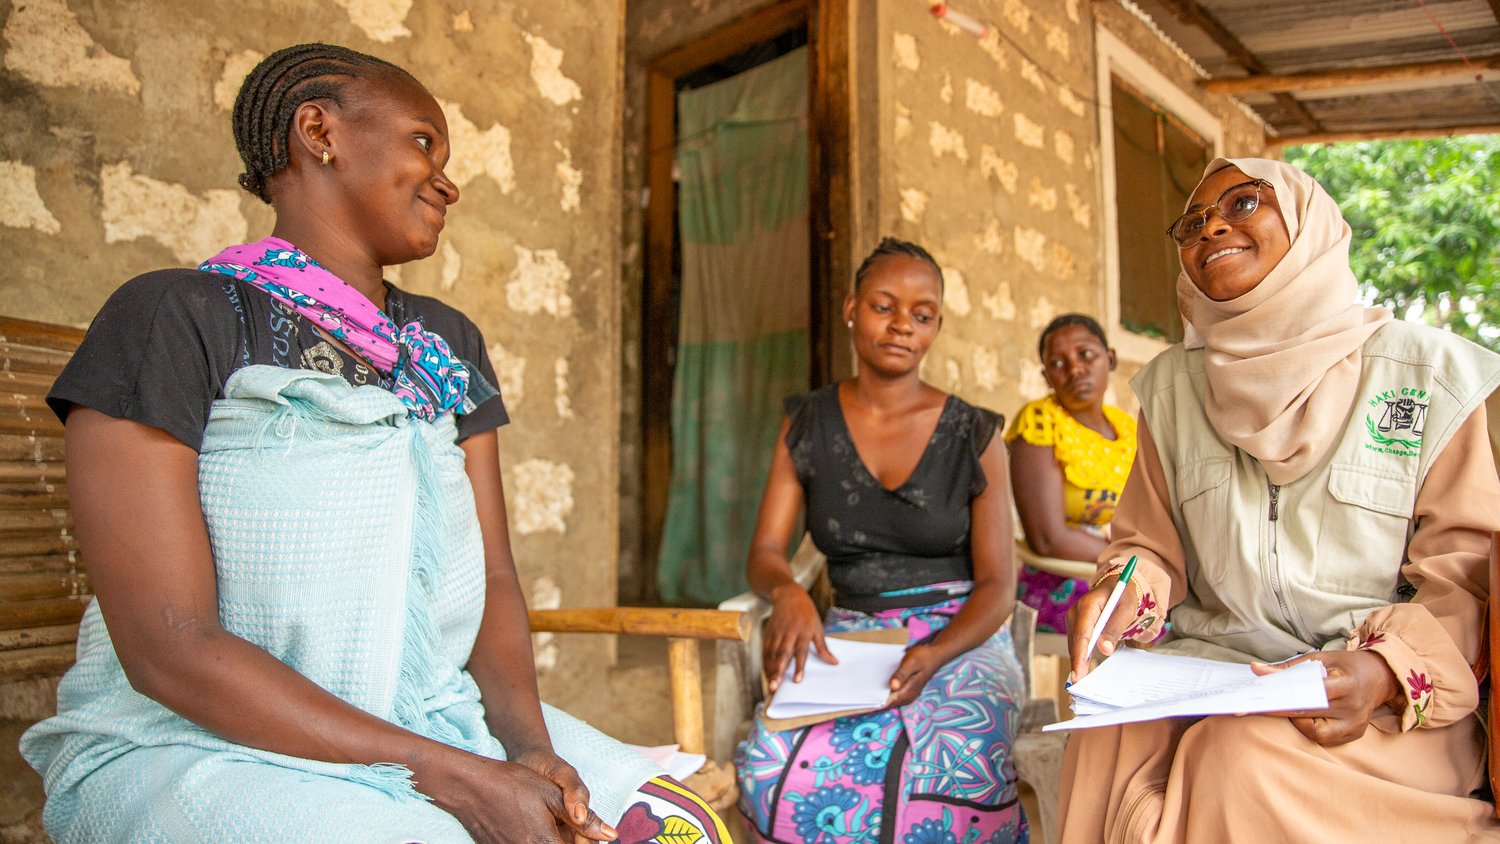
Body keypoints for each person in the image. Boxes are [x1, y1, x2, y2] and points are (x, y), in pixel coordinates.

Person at [20, 43, 727, 844]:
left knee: (671, 826)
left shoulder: (444, 344)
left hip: (430, 713)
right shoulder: (175, 316)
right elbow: (169, 648)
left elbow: (492, 575)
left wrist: (531, 749)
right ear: (319, 132)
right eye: (424, 142)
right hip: (201, 741)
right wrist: (461, 778)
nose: (447, 179)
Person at [1057, 157, 1500, 842]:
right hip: (1219, 673)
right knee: (1103, 736)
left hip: (1380, 697)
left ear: (1308, 227)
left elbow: (1465, 575)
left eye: (1242, 204)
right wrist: (1120, 597)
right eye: (1193, 223)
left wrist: (1383, 671)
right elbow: (1148, 545)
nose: (1212, 229)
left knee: (1236, 758)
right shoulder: (1174, 391)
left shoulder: (1428, 374)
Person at [734, 238, 1028, 843]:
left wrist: (936, 653)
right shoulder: (807, 423)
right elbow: (765, 551)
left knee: (952, 767)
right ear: (851, 309)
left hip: (962, 639)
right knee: (774, 766)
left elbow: (999, 587)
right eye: (883, 307)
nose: (901, 326)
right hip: (850, 635)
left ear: (936, 327)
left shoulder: (975, 434)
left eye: (921, 316)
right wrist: (788, 591)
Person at [1006, 314, 1136, 634]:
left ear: (1111, 359)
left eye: (1085, 354)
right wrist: (1133, 558)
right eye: (1058, 363)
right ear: (1047, 377)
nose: (1075, 369)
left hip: (1121, 570)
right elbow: (1048, 539)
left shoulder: (1127, 429)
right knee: (1148, 622)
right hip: (1060, 579)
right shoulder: (1040, 422)